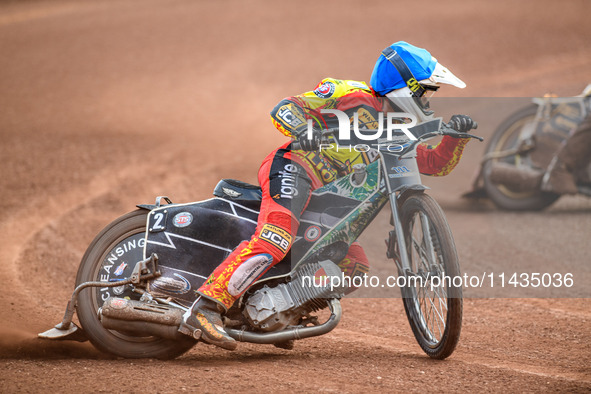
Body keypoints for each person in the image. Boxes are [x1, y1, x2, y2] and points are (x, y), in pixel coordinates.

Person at [180, 41, 477, 350]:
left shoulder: (400, 125)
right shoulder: (348, 93)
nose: (427, 100)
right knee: (276, 238)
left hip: (326, 198)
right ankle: (205, 307)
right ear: (407, 87)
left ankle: (278, 312)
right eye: (425, 91)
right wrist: (304, 130)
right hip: (295, 169)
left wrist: (455, 139)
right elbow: (284, 109)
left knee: (353, 265)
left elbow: (432, 164)